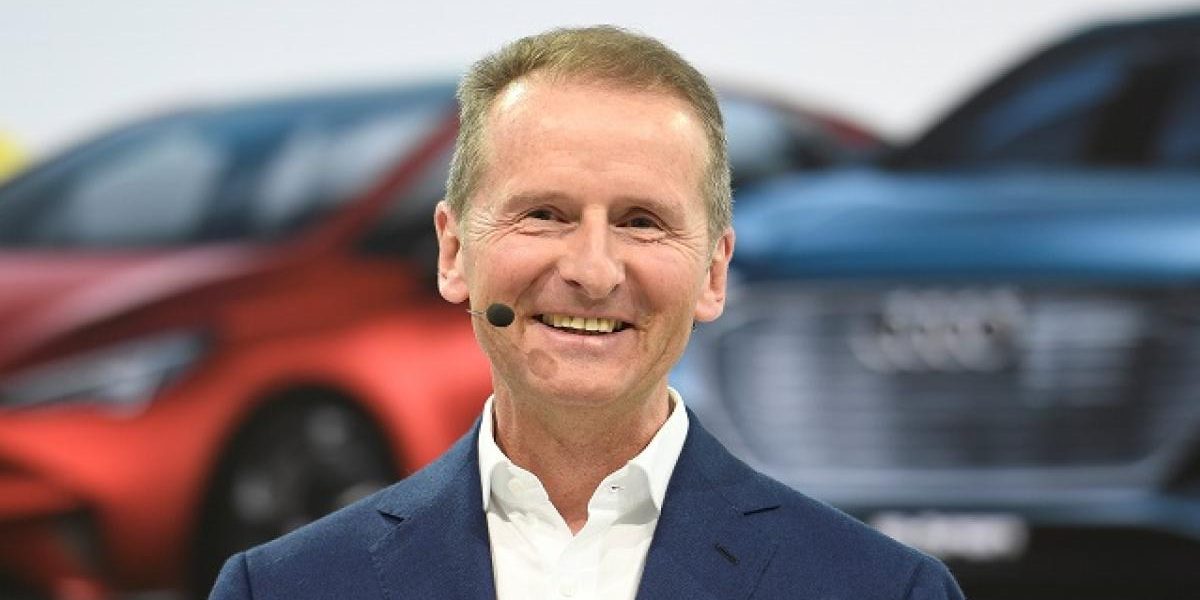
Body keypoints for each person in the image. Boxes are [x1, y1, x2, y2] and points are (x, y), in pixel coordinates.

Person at [209, 25, 964, 600]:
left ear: (713, 273)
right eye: (544, 214)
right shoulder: (279, 590)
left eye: (641, 221)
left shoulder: (885, 591)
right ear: (454, 253)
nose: (593, 271)